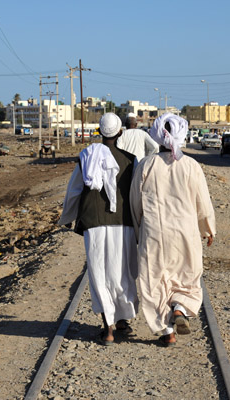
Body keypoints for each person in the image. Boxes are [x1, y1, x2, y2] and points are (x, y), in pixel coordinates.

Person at [130, 113, 216, 347]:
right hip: (185, 233)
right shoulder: (191, 165)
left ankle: (167, 331)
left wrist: (138, 231)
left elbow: (135, 202)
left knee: (155, 280)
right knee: (187, 276)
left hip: (154, 234)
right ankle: (179, 308)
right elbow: (203, 202)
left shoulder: (146, 164)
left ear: (157, 136)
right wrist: (207, 230)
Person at [58, 112, 138, 346]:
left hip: (93, 223)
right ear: (121, 131)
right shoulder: (131, 160)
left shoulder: (86, 157)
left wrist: (68, 218)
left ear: (100, 132)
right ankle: (122, 317)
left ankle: (110, 328)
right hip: (123, 224)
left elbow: (73, 191)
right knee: (122, 272)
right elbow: (135, 196)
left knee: (99, 274)